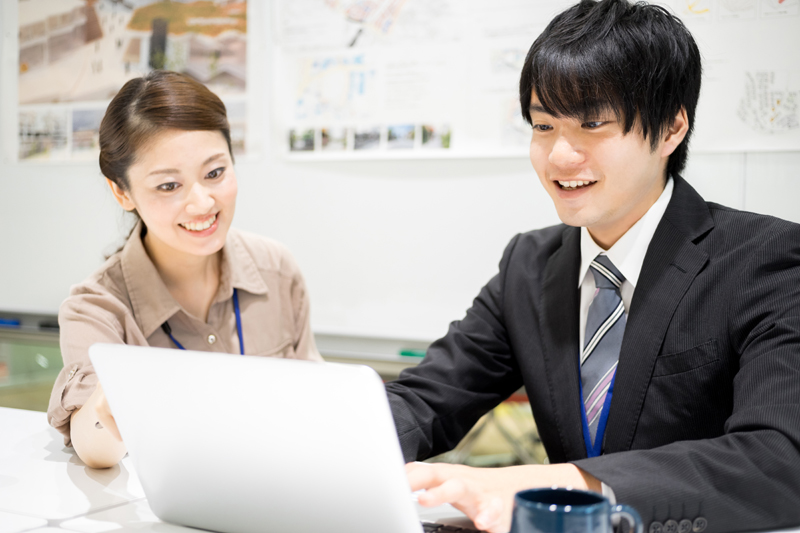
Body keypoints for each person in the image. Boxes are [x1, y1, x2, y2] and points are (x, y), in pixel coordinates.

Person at [385, 1, 800, 532]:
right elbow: (429, 399)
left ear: (671, 128)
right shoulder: (528, 265)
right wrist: (339, 448)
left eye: (593, 123)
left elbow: (777, 458)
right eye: (542, 125)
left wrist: (561, 482)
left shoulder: (765, 258)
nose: (559, 156)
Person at [47, 71, 322, 469]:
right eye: (168, 186)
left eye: (215, 173)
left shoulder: (275, 268)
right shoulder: (96, 308)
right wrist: (112, 400)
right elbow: (93, 445)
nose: (202, 203)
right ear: (121, 192)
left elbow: (313, 398)